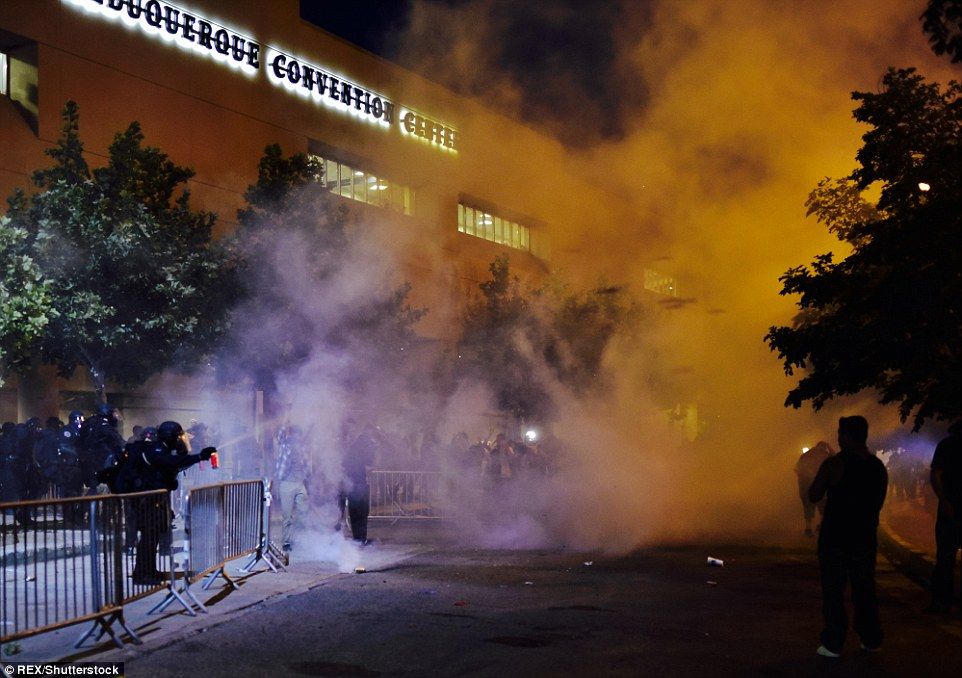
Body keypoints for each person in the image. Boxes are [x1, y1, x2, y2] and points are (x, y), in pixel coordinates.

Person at [809, 416, 888, 658]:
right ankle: (871, 638)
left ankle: (834, 642)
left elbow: (814, 494)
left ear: (847, 436)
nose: (837, 438)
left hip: (836, 537)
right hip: (865, 536)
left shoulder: (835, 464)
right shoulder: (877, 467)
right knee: (864, 587)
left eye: (840, 433)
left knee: (834, 590)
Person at [114, 420, 215, 585]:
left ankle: (148, 570)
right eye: (177, 436)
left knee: (152, 536)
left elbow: (173, 465)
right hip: (145, 500)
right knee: (148, 536)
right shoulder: (157, 448)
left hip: (152, 498)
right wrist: (198, 457)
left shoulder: (163, 448)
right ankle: (142, 575)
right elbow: (171, 462)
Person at [928, 420, 962, 613]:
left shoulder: (946, 445)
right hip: (951, 505)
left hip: (950, 506)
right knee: (945, 558)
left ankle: (942, 602)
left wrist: (943, 499)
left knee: (945, 558)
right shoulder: (947, 445)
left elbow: (936, 474)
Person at [274, 423, 310, 553]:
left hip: (299, 483)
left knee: (304, 511)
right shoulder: (285, 447)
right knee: (287, 516)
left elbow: (306, 465)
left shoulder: (302, 448)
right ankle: (287, 542)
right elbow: (280, 436)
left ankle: (298, 539)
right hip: (287, 484)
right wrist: (285, 420)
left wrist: (304, 475)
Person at [341, 421, 378, 544]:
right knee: (362, 513)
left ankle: (357, 539)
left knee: (354, 513)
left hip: (350, 484)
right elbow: (370, 465)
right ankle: (361, 539)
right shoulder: (367, 445)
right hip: (360, 483)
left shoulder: (352, 446)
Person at [796, 441, 834, 536]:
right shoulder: (825, 455)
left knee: (808, 506)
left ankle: (808, 529)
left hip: (804, 485)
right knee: (823, 505)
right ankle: (821, 526)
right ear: (824, 447)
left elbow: (797, 469)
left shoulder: (804, 455)